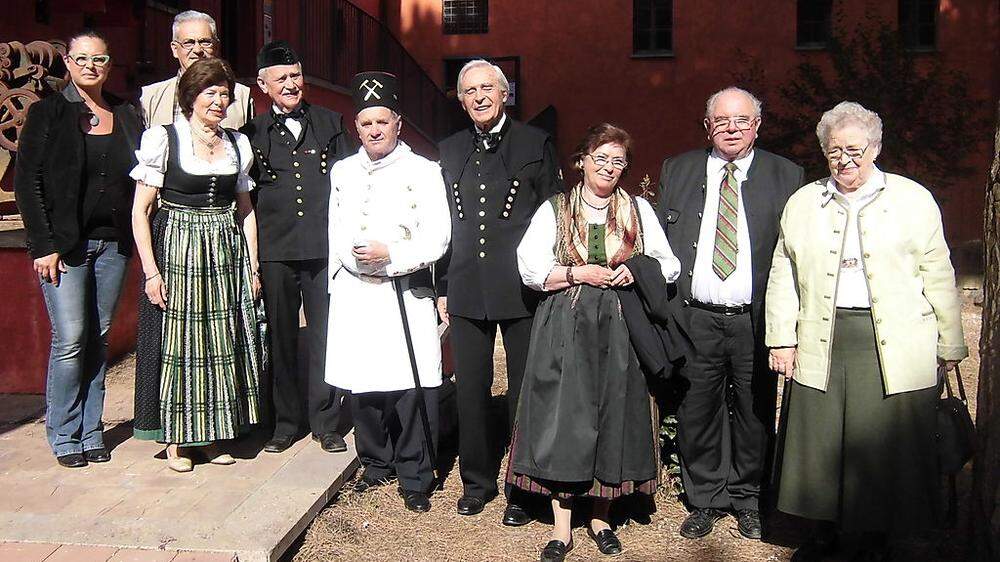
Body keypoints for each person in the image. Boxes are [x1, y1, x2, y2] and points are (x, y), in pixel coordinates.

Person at [766, 101, 968, 561]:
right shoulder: (804, 201)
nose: (845, 160)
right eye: (835, 151)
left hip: (894, 342)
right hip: (825, 337)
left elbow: (938, 270)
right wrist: (781, 336)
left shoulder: (913, 199)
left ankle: (876, 536)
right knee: (820, 441)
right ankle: (823, 533)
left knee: (883, 444)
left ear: (876, 148)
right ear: (825, 153)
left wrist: (950, 341)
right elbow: (784, 271)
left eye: (855, 149)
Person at [510, 124, 680, 561]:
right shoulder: (557, 209)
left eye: (617, 160)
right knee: (566, 416)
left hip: (622, 324)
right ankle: (562, 528)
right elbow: (530, 268)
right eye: (600, 157)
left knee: (614, 410)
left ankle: (602, 517)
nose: (608, 167)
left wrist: (636, 269)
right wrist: (576, 273)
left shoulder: (638, 210)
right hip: (566, 321)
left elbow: (670, 263)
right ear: (581, 160)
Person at [656, 87, 803, 540]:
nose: (732, 128)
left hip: (753, 319)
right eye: (722, 121)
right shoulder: (678, 170)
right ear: (708, 126)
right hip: (695, 316)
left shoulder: (787, 175)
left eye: (742, 120)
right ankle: (705, 498)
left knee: (755, 409)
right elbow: (659, 242)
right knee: (697, 409)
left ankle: (748, 498)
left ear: (757, 125)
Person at [435, 59, 564, 524]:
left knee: (524, 390)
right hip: (467, 286)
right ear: (461, 98)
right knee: (470, 389)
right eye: (469, 90)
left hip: (522, 288)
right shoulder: (448, 150)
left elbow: (556, 214)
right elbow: (442, 225)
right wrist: (441, 285)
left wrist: (557, 275)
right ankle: (477, 482)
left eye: (488, 88)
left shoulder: (535, 142)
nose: (479, 97)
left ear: (505, 93)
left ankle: (522, 486)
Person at [14, 30, 142, 468]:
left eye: (99, 59)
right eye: (82, 58)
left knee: (98, 338)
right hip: (65, 248)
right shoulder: (48, 112)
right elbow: (27, 182)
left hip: (113, 246)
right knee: (70, 338)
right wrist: (43, 245)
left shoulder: (126, 113)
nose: (91, 66)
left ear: (108, 65)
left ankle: (91, 430)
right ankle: (64, 431)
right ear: (67, 62)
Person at [130, 58, 264, 473]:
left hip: (224, 250)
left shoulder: (237, 145)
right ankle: (176, 441)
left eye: (225, 94)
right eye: (211, 93)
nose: (220, 102)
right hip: (178, 249)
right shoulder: (164, 139)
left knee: (220, 342)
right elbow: (141, 211)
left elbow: (245, 211)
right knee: (182, 343)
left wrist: (253, 267)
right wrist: (152, 272)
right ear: (190, 97)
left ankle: (212, 436)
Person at [325, 71, 451, 513]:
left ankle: (416, 474)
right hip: (357, 292)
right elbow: (335, 231)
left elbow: (438, 237)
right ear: (355, 127)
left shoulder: (425, 170)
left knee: (410, 384)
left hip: (404, 289)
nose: (374, 130)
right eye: (365, 123)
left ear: (398, 122)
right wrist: (352, 264)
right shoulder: (342, 171)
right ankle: (376, 462)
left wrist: (390, 256)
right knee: (364, 383)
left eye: (382, 121)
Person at [240, 41, 353, 454]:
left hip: (325, 252)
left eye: (295, 76)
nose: (290, 84)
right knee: (281, 338)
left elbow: (350, 184)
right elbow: (243, 197)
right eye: (281, 78)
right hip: (275, 251)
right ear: (263, 85)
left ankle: (326, 423)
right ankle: (285, 423)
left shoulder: (331, 123)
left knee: (326, 337)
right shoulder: (250, 135)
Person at [140, 10, 253, 129]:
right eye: (188, 43)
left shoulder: (242, 97)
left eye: (205, 42)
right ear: (174, 49)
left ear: (216, 47)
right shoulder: (150, 98)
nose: (197, 49)